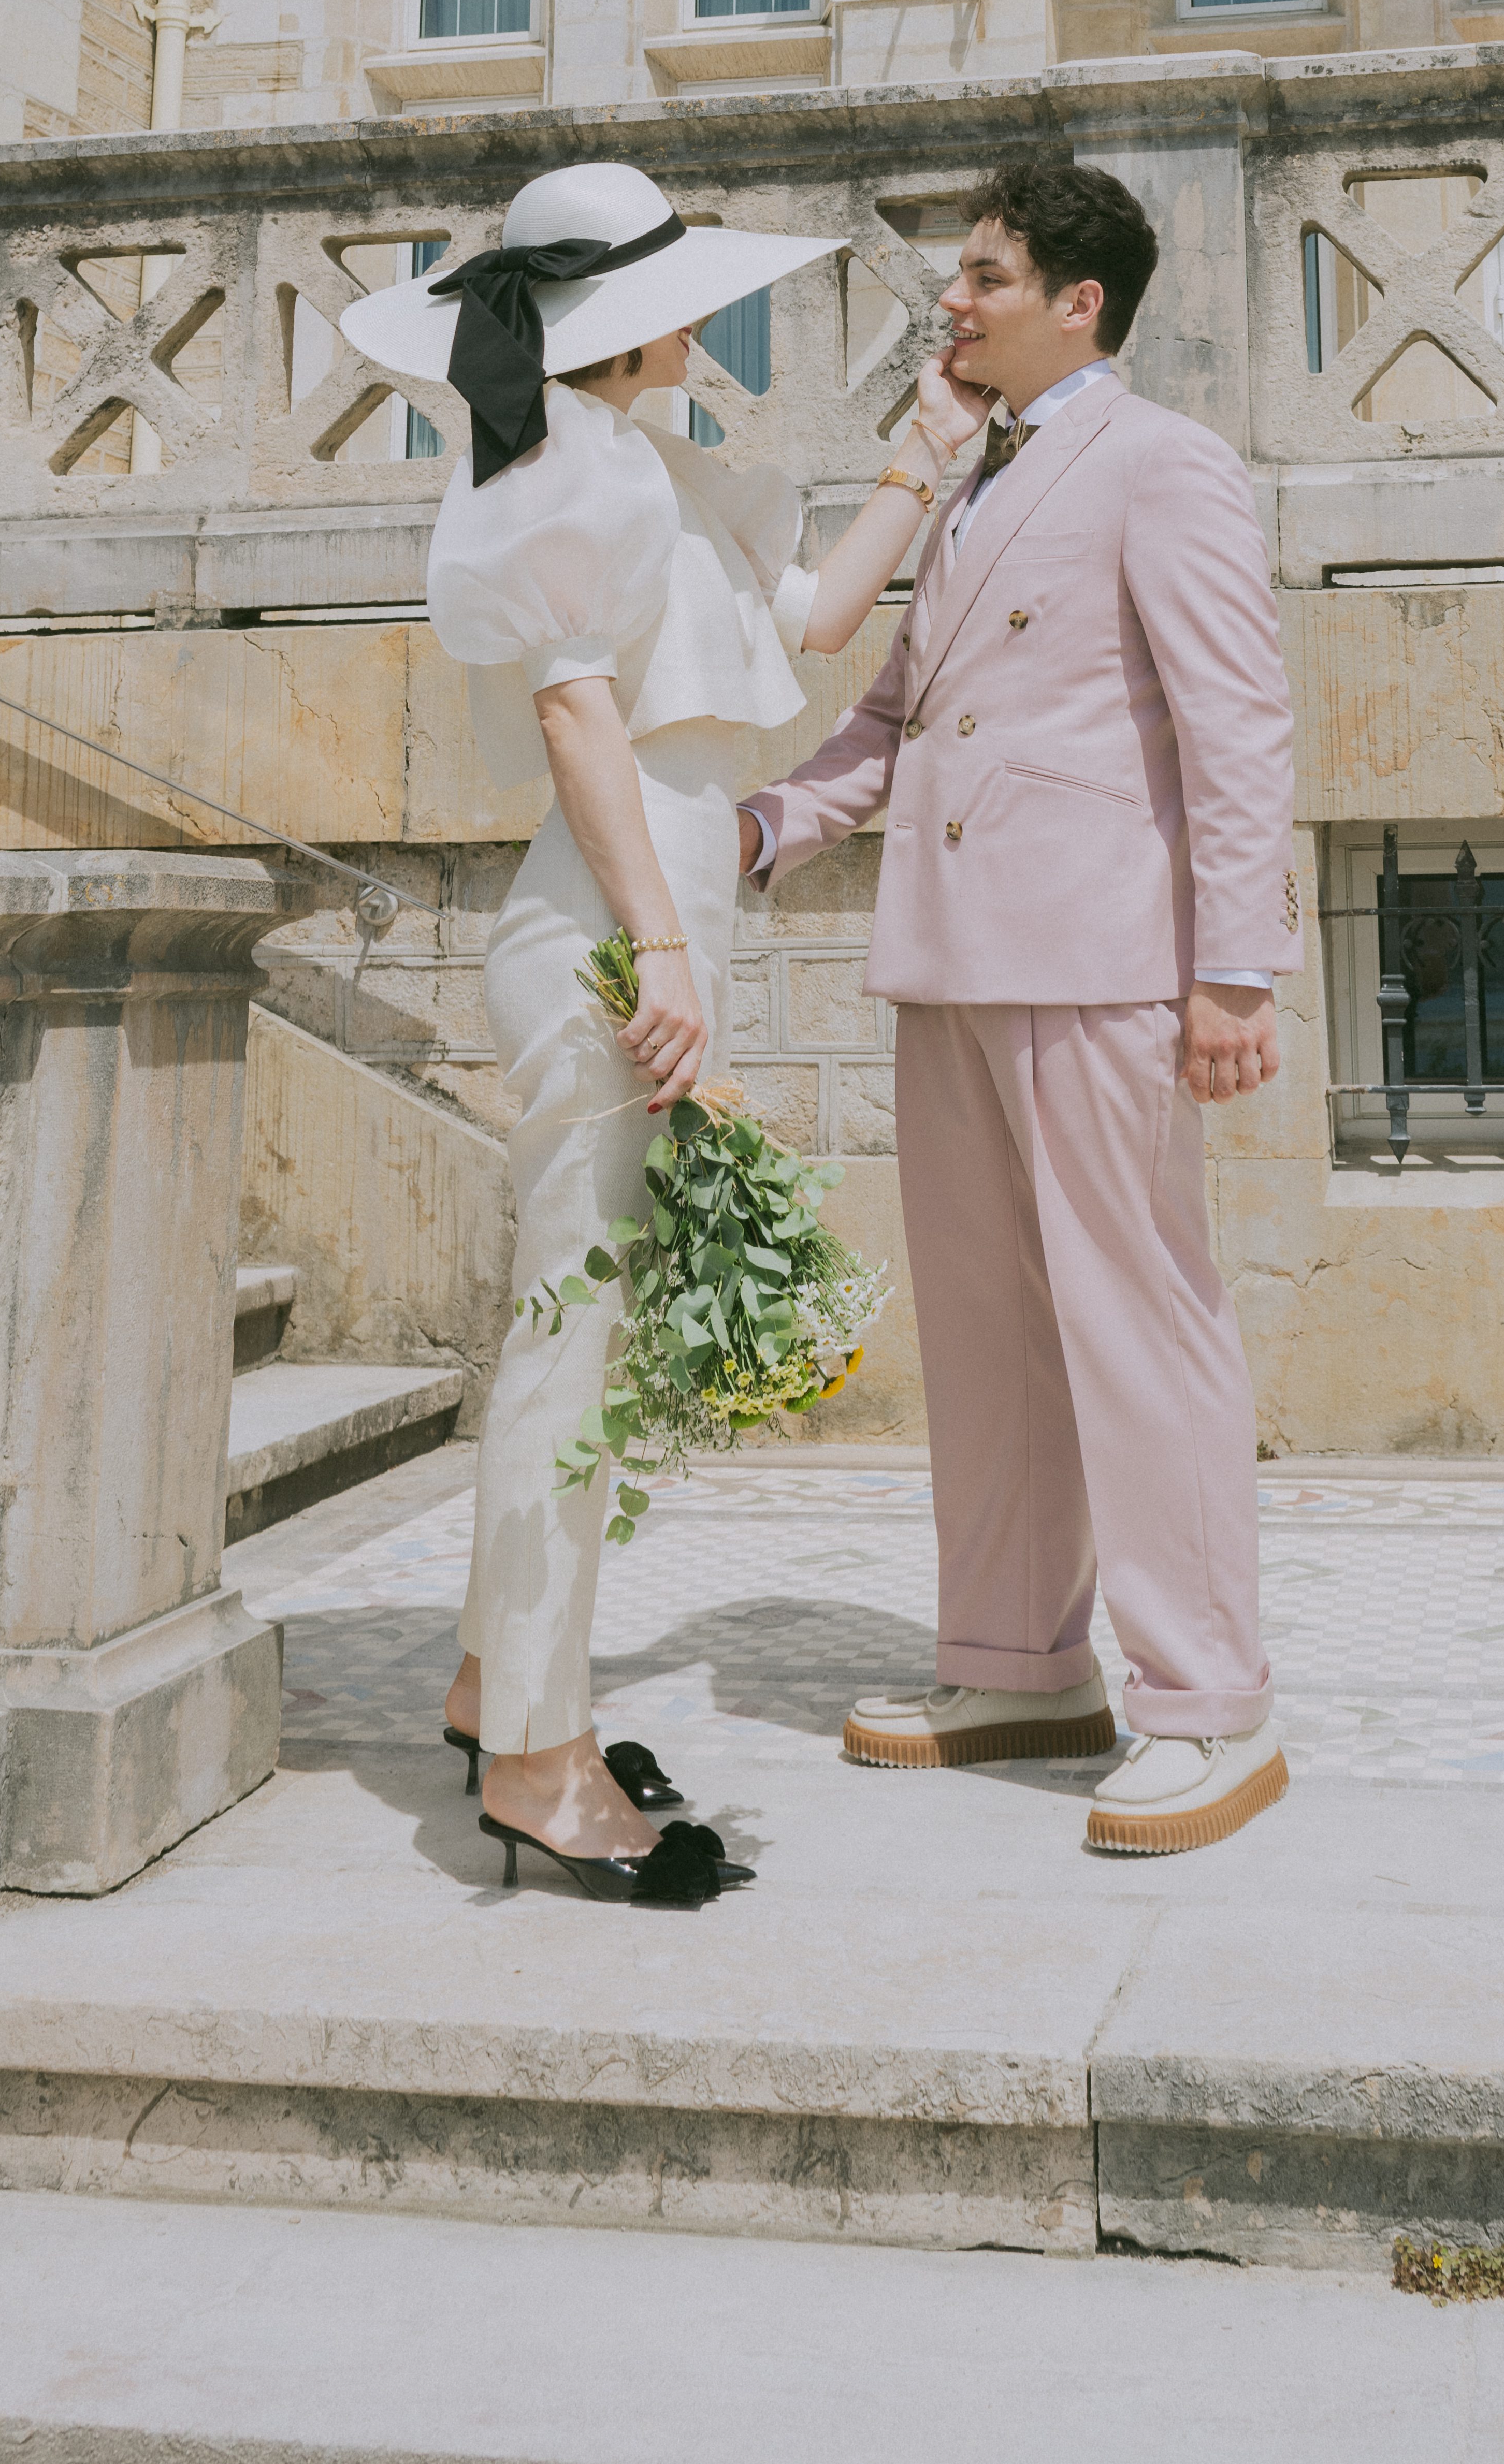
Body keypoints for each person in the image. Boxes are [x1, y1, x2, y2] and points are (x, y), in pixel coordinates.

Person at [339, 161, 978, 1907]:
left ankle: (496, 1685)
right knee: (571, 1345)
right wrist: (666, 948)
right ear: (631, 319)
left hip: (639, 930)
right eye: (681, 290)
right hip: (604, 938)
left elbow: (805, 631)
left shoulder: (658, 474)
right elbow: (575, 722)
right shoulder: (564, 472)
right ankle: (540, 1761)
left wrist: (917, 470)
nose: (708, 313)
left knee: (580, 1333)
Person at [739, 157, 1301, 1857]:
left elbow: (1237, 726)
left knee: (1141, 1330)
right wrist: (766, 823)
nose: (952, 300)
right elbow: (900, 712)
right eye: (956, 274)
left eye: (985, 275)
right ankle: (1015, 1662)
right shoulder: (972, 475)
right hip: (953, 958)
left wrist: (1231, 970)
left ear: (1080, 303)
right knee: (985, 1336)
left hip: (1105, 962)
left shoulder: (1163, 464)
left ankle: (1209, 1702)